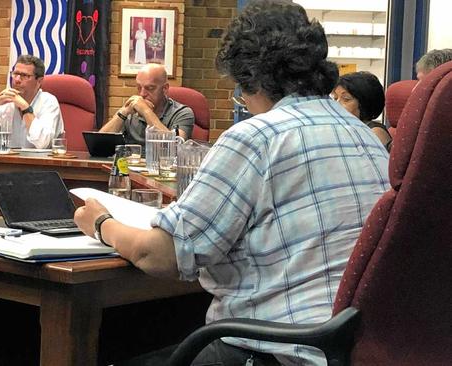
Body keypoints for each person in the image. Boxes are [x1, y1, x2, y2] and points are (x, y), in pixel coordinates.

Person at [75, 1, 390, 365]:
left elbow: (160, 254)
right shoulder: (367, 137)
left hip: (274, 349)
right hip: (348, 347)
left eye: (239, 89)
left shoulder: (258, 136)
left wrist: (101, 223)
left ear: (251, 76)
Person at [0, 55, 64, 149]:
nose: (17, 80)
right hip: (8, 161)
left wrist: (25, 107)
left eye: (24, 76)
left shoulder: (48, 102)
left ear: (39, 81)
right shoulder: (6, 103)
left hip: (41, 162)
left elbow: (43, 143)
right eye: (15, 74)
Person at [99, 63, 195, 146]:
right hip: (130, 165)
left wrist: (146, 111)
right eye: (139, 88)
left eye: (150, 88)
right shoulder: (131, 111)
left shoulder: (182, 113)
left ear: (165, 88)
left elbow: (174, 147)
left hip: (162, 166)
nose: (142, 94)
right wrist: (123, 112)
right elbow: (99, 145)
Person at [332, 71, 392, 151]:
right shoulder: (342, 127)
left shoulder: (375, 132)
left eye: (346, 99)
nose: (337, 104)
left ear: (364, 102)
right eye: (335, 98)